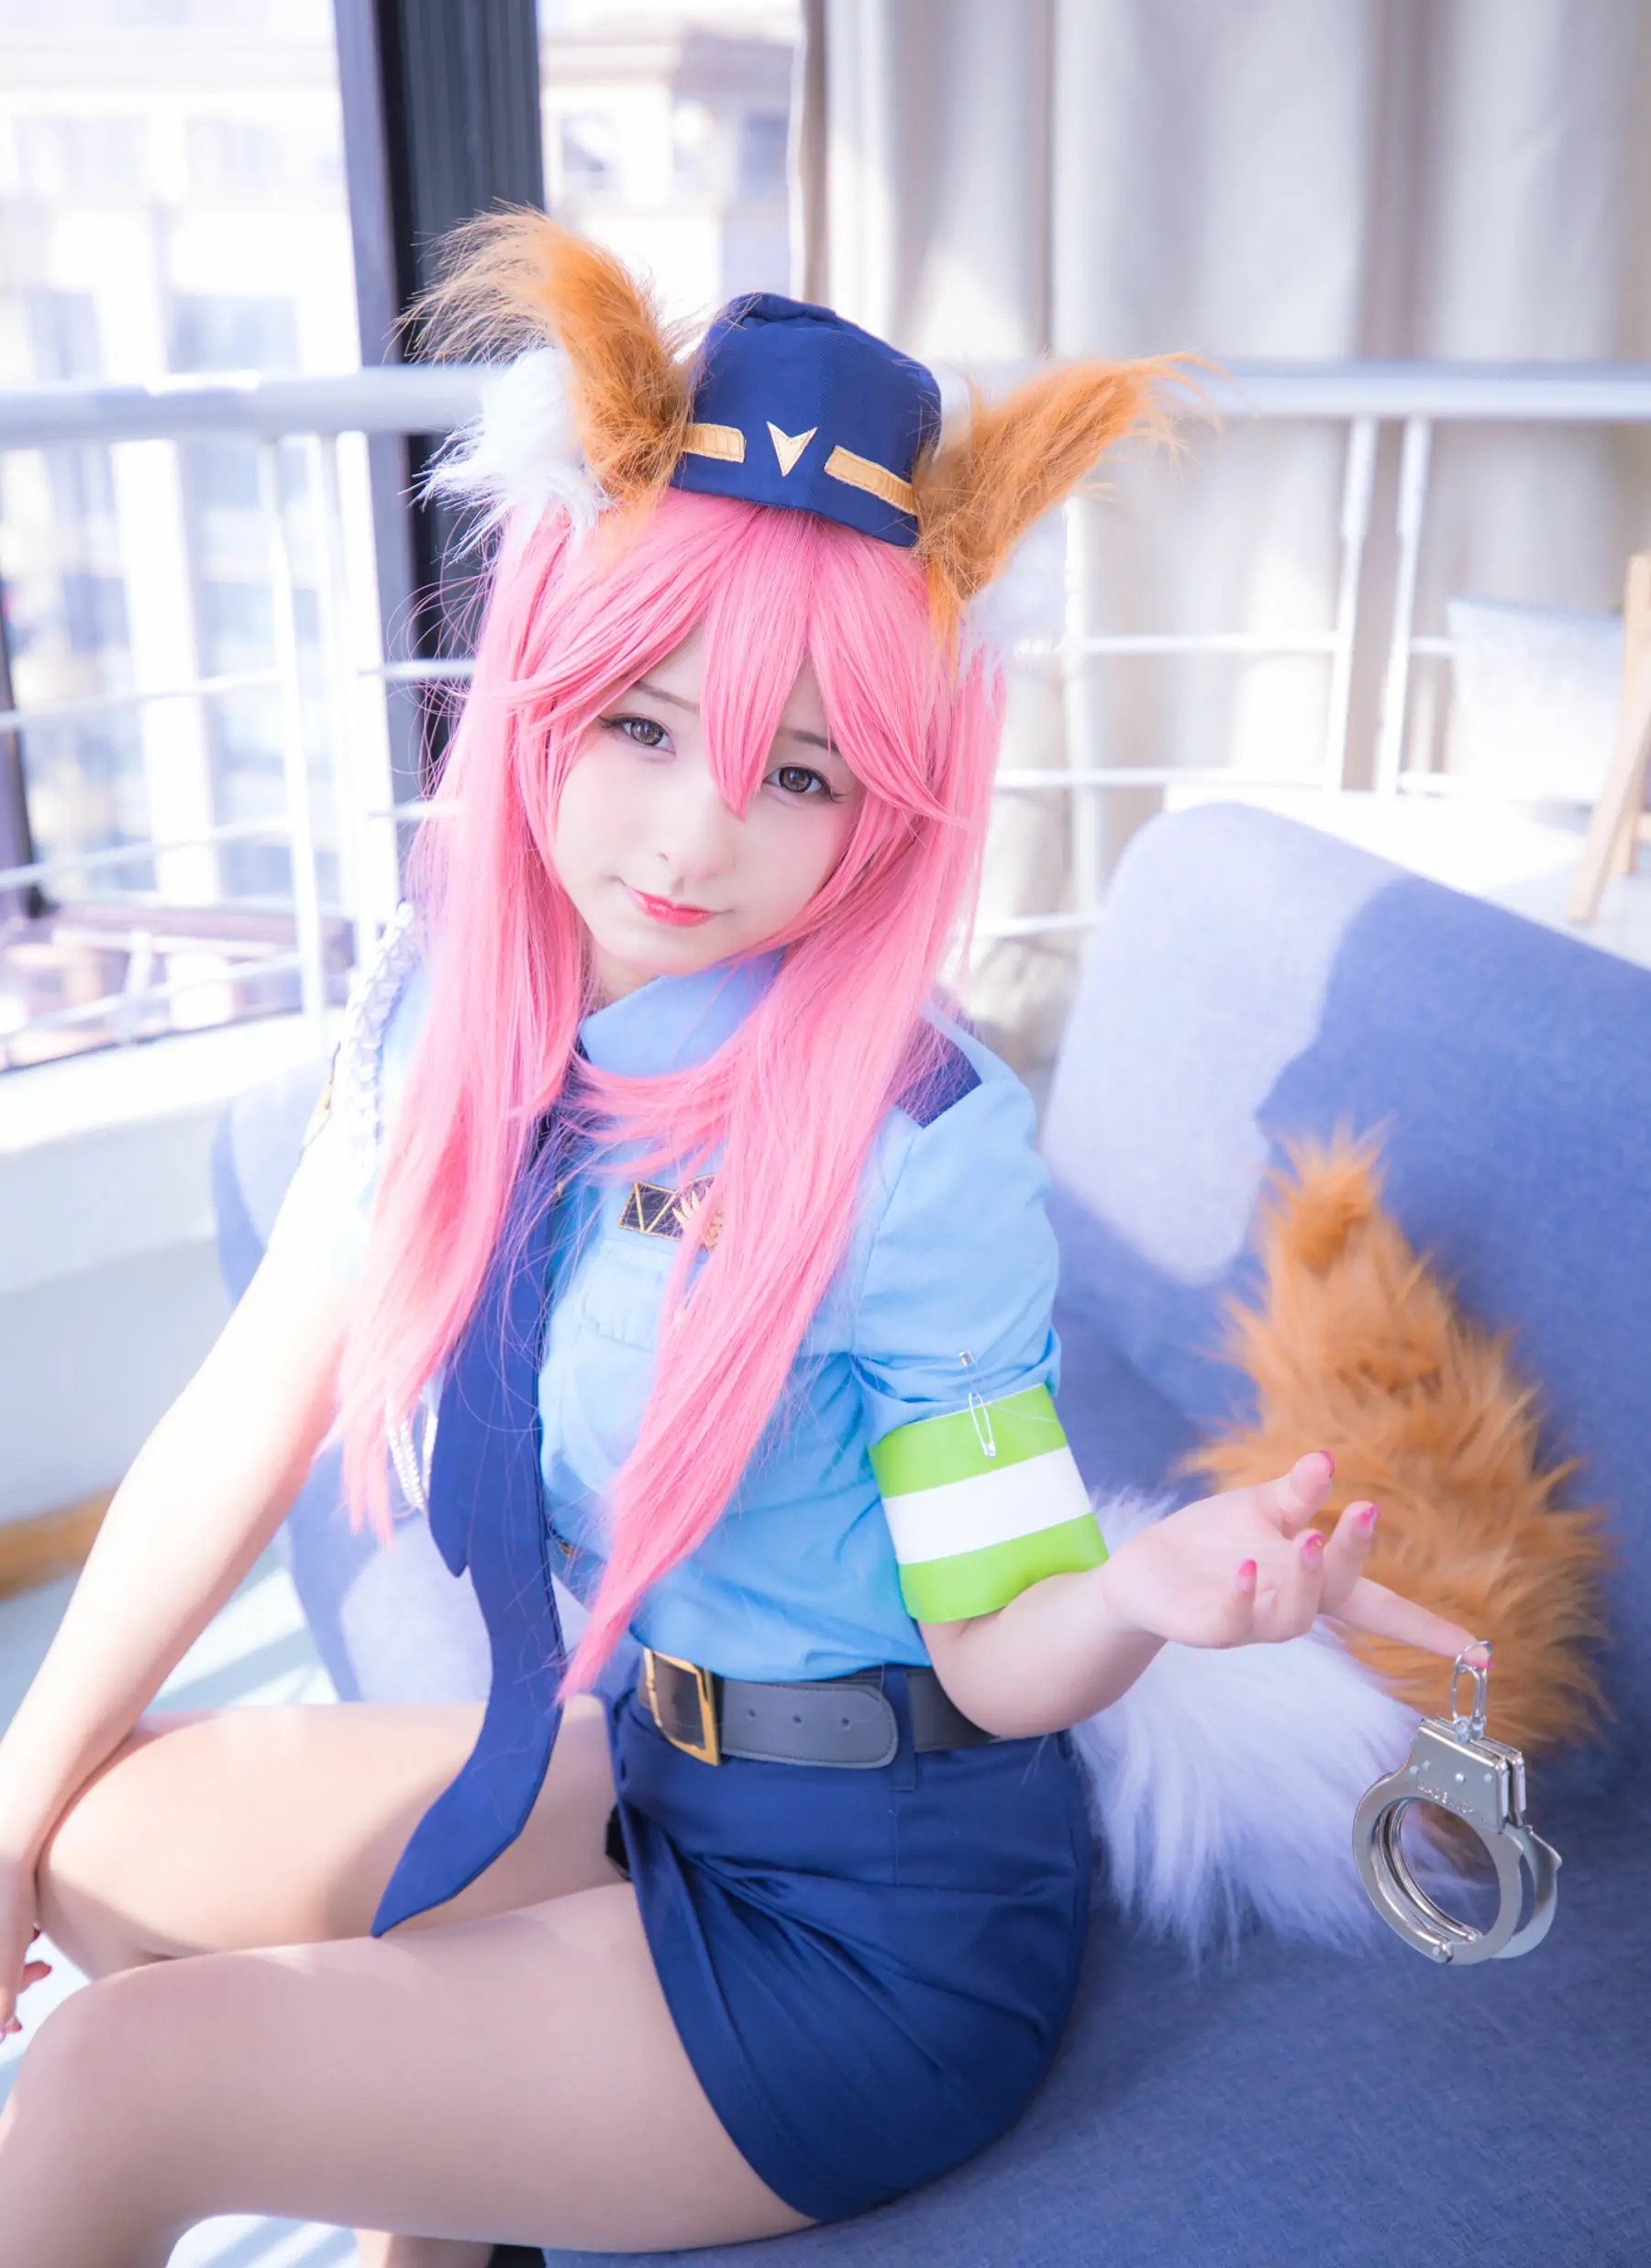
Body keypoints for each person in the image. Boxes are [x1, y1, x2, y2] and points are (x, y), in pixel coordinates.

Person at [0, 217, 1482, 2268]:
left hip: (865, 1927)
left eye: (797, 773)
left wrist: (1141, 1594)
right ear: (540, 683)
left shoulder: (918, 1141)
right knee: (92, 1847)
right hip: (647, 1764)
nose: (696, 839)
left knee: (107, 2079)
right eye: (640, 723)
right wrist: (11, 1801)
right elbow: (247, 1412)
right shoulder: (451, 1008)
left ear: (883, 808)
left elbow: (999, 1647)